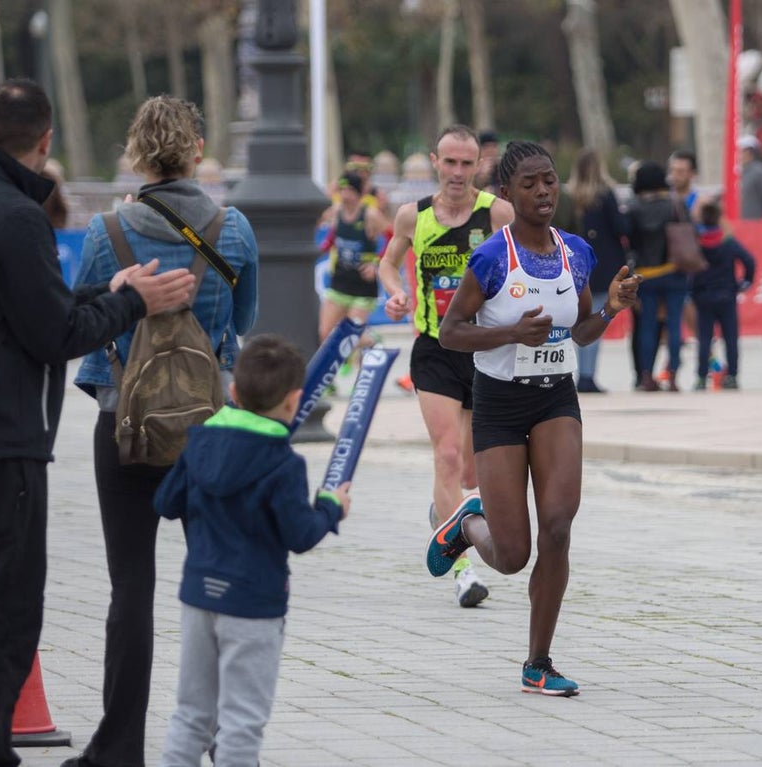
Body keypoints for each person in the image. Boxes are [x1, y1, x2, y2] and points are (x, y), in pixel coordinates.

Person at [0, 79, 196, 767]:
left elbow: (26, 306)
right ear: (45, 143)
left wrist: (111, 289)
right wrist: (138, 304)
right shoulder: (15, 217)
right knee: (0, 616)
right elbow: (55, 333)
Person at [67, 95, 259, 767]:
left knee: (131, 585)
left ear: (136, 153)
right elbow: (241, 322)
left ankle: (118, 745)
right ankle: (217, 735)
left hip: (122, 423)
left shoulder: (106, 230)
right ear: (198, 150)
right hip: (207, 428)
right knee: (213, 579)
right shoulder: (232, 229)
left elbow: (87, 318)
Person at [429, 140, 641, 696]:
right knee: (512, 555)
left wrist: (610, 310)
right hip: (499, 403)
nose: (544, 191)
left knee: (559, 527)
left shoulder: (576, 253)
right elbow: (452, 333)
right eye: (530, 183)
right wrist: (507, 333)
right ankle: (466, 524)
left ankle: (538, 663)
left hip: (555, 399)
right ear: (506, 193)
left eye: (550, 180)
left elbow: (579, 332)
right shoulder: (492, 258)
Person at [156, 335, 348, 767]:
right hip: (253, 603)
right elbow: (300, 535)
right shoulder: (283, 463)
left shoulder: (200, 441)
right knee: (241, 720)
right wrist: (331, 508)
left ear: (233, 392)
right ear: (295, 401)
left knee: (191, 715)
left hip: (198, 595)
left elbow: (166, 503)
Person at [377, 124, 513, 608]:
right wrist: (395, 291)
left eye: (466, 163)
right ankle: (462, 570)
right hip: (434, 347)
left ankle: (443, 511)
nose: (457, 173)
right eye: (449, 162)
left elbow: (518, 266)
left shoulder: (497, 213)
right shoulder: (412, 217)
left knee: (474, 472)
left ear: (479, 165)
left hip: (482, 349)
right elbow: (389, 262)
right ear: (435, 161)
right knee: (448, 455)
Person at [564, 148, 628, 394]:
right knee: (598, 317)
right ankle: (588, 376)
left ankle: (579, 373)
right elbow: (620, 227)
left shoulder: (568, 196)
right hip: (603, 266)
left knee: (579, 319)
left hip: (574, 266)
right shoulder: (605, 195)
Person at [626, 162, 687, 392]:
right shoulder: (674, 204)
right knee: (673, 324)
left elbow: (630, 243)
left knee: (647, 327)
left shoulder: (633, 208)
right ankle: (672, 376)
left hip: (645, 275)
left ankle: (646, 376)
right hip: (673, 270)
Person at [691, 201, 755, 391]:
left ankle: (702, 377)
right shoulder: (728, 242)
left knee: (704, 338)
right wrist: (745, 282)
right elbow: (749, 261)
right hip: (727, 294)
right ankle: (733, 376)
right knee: (731, 338)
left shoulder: (697, 242)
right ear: (720, 218)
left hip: (703, 295)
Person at [318, 172, 386, 343]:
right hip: (340, 279)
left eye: (350, 190)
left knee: (352, 335)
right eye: (342, 190)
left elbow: (392, 238)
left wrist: (376, 265)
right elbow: (333, 236)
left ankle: (372, 341)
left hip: (363, 283)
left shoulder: (370, 215)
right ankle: (348, 361)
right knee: (325, 332)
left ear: (359, 193)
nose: (345, 194)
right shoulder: (335, 212)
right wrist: (323, 248)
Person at [738, 136, 762, 220]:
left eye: (740, 151)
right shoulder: (739, 171)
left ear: (749, 152)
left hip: (756, 221)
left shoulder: (760, 171)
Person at [667, 149, 700, 215]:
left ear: (693, 174)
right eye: (672, 170)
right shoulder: (665, 201)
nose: (674, 175)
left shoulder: (700, 203)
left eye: (680, 171)